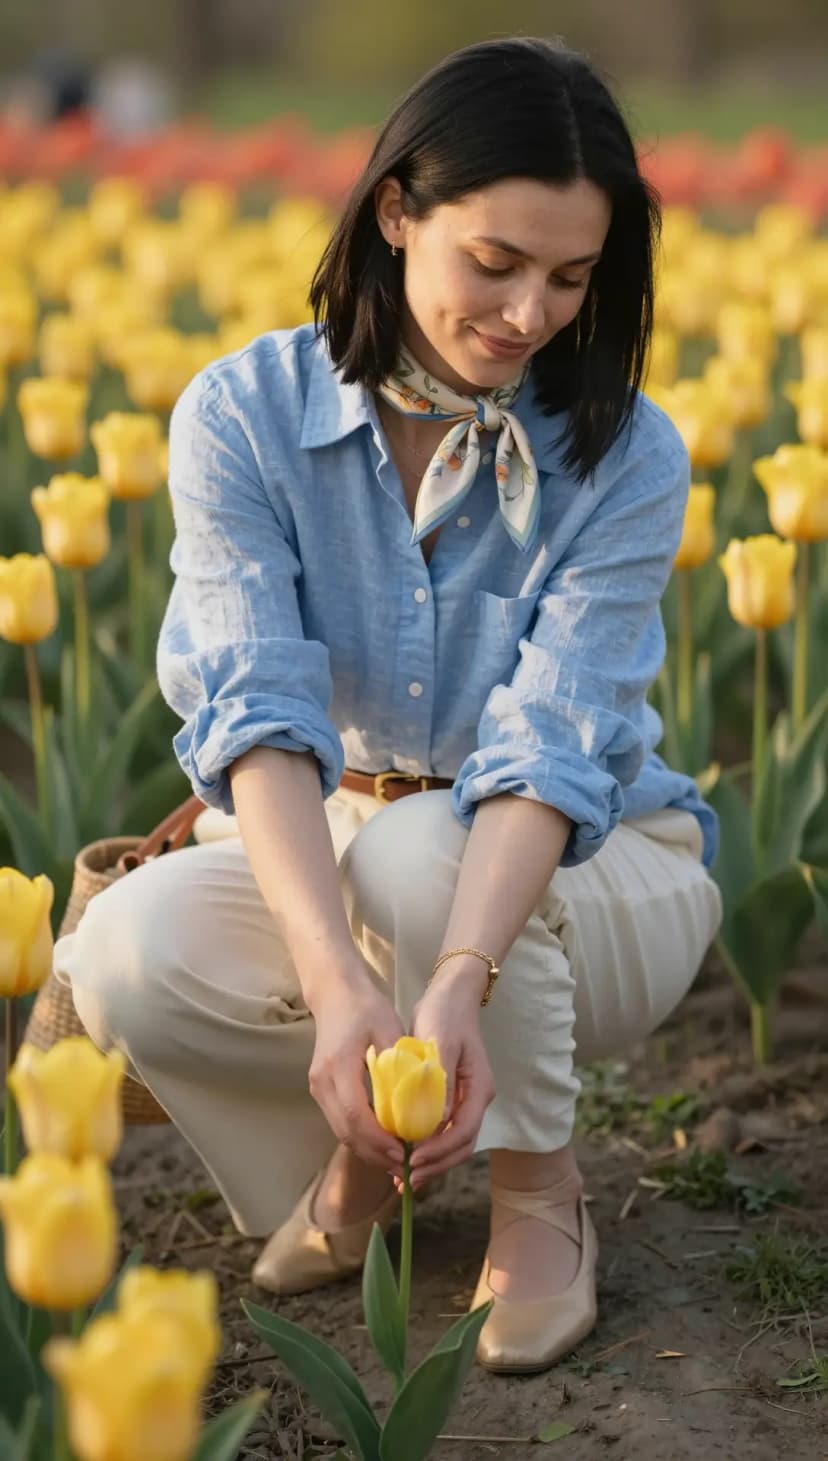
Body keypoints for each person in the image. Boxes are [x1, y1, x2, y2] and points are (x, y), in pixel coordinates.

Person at [54, 35, 722, 1375]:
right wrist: (339, 988)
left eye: (571, 278)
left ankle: (540, 1189)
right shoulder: (242, 416)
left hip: (601, 875)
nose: (532, 314)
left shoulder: (624, 452)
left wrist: (455, 984)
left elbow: (547, 750)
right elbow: (260, 711)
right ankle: (374, 1162)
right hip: (344, 840)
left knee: (430, 850)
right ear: (397, 212)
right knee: (125, 951)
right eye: (497, 262)